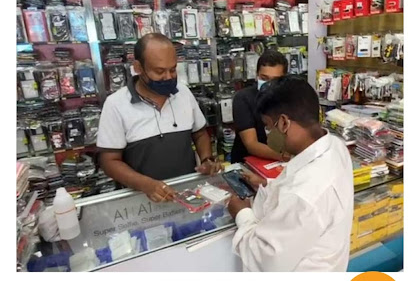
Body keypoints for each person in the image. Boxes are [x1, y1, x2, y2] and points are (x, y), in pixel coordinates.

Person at [227, 77, 354, 272]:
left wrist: (242, 214)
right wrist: (267, 185)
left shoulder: (303, 195)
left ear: (284, 122)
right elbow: (298, 186)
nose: (268, 134)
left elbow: (265, 260)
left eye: (268, 126)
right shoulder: (335, 146)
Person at [97, 33, 221, 203]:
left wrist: (207, 159)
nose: (168, 77)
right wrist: (145, 184)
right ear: (138, 67)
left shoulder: (183, 93)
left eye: (173, 69)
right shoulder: (116, 104)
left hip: (187, 193)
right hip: (142, 200)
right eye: (159, 71)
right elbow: (109, 161)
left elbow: (199, 134)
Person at [231, 50, 288, 163]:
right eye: (264, 78)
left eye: (275, 80)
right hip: (248, 163)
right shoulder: (243, 98)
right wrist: (284, 157)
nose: (269, 84)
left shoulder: (289, 98)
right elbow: (251, 144)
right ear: (257, 75)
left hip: (281, 163)